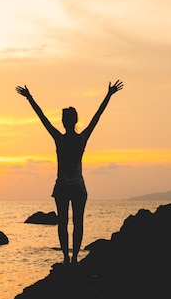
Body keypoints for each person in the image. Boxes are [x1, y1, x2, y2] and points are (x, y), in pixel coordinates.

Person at [16, 80, 123, 264]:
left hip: (67, 187)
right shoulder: (77, 138)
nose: (63, 121)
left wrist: (30, 98)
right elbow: (95, 117)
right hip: (74, 187)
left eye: (64, 118)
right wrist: (108, 95)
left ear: (68, 121)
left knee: (67, 224)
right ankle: (70, 258)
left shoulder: (63, 138)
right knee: (73, 224)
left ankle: (69, 258)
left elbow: (43, 118)